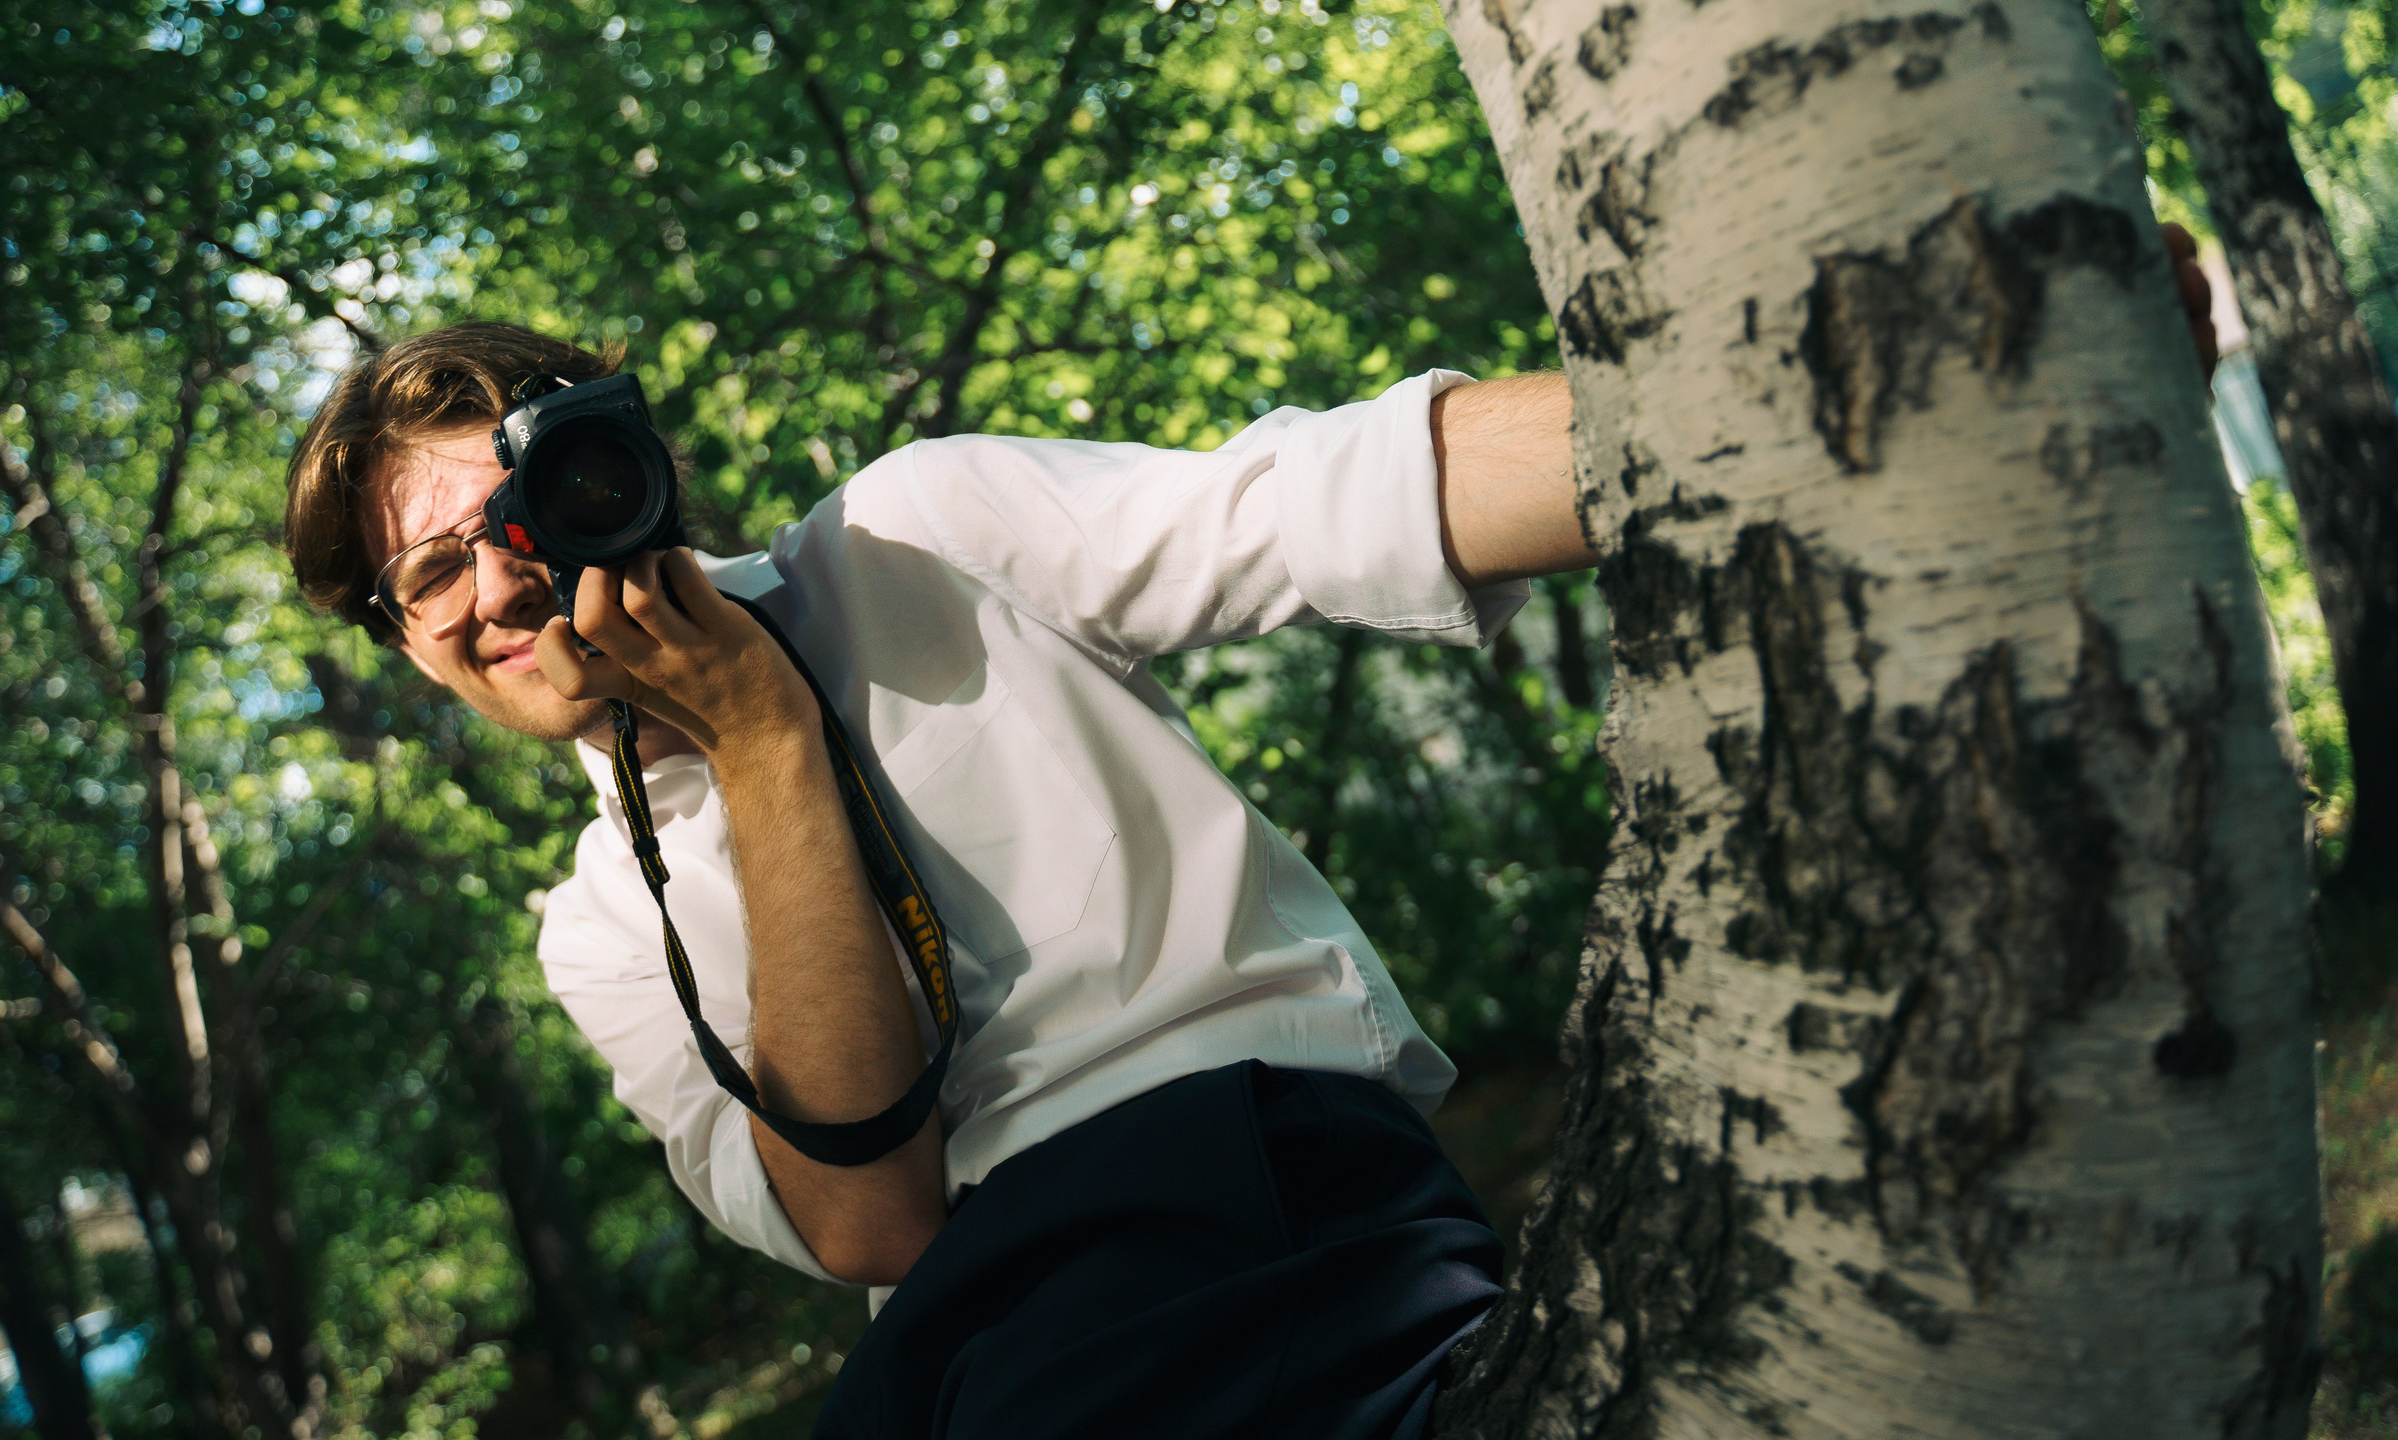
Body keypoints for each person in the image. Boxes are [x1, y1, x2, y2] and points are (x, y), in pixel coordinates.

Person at [281, 232, 2214, 1437]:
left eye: (511, 513)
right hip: (973, 1344)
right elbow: (871, 1219)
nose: (486, 590)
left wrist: (1892, 373)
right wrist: (764, 748)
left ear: (623, 470)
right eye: (420, 580)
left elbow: (1325, 502)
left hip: (1254, 1210)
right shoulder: (600, 929)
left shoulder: (913, 537)